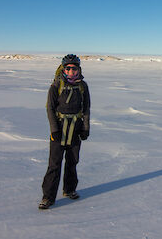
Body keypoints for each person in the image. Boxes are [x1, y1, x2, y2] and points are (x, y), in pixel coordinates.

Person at [39, 54, 90, 209]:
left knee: (72, 161)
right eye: (67, 68)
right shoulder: (56, 86)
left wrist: (85, 128)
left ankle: (69, 189)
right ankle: (48, 197)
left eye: (74, 68)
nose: (71, 71)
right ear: (63, 69)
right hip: (60, 128)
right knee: (54, 164)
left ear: (79, 69)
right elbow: (50, 108)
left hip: (75, 127)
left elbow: (86, 108)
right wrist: (54, 130)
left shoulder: (82, 86)